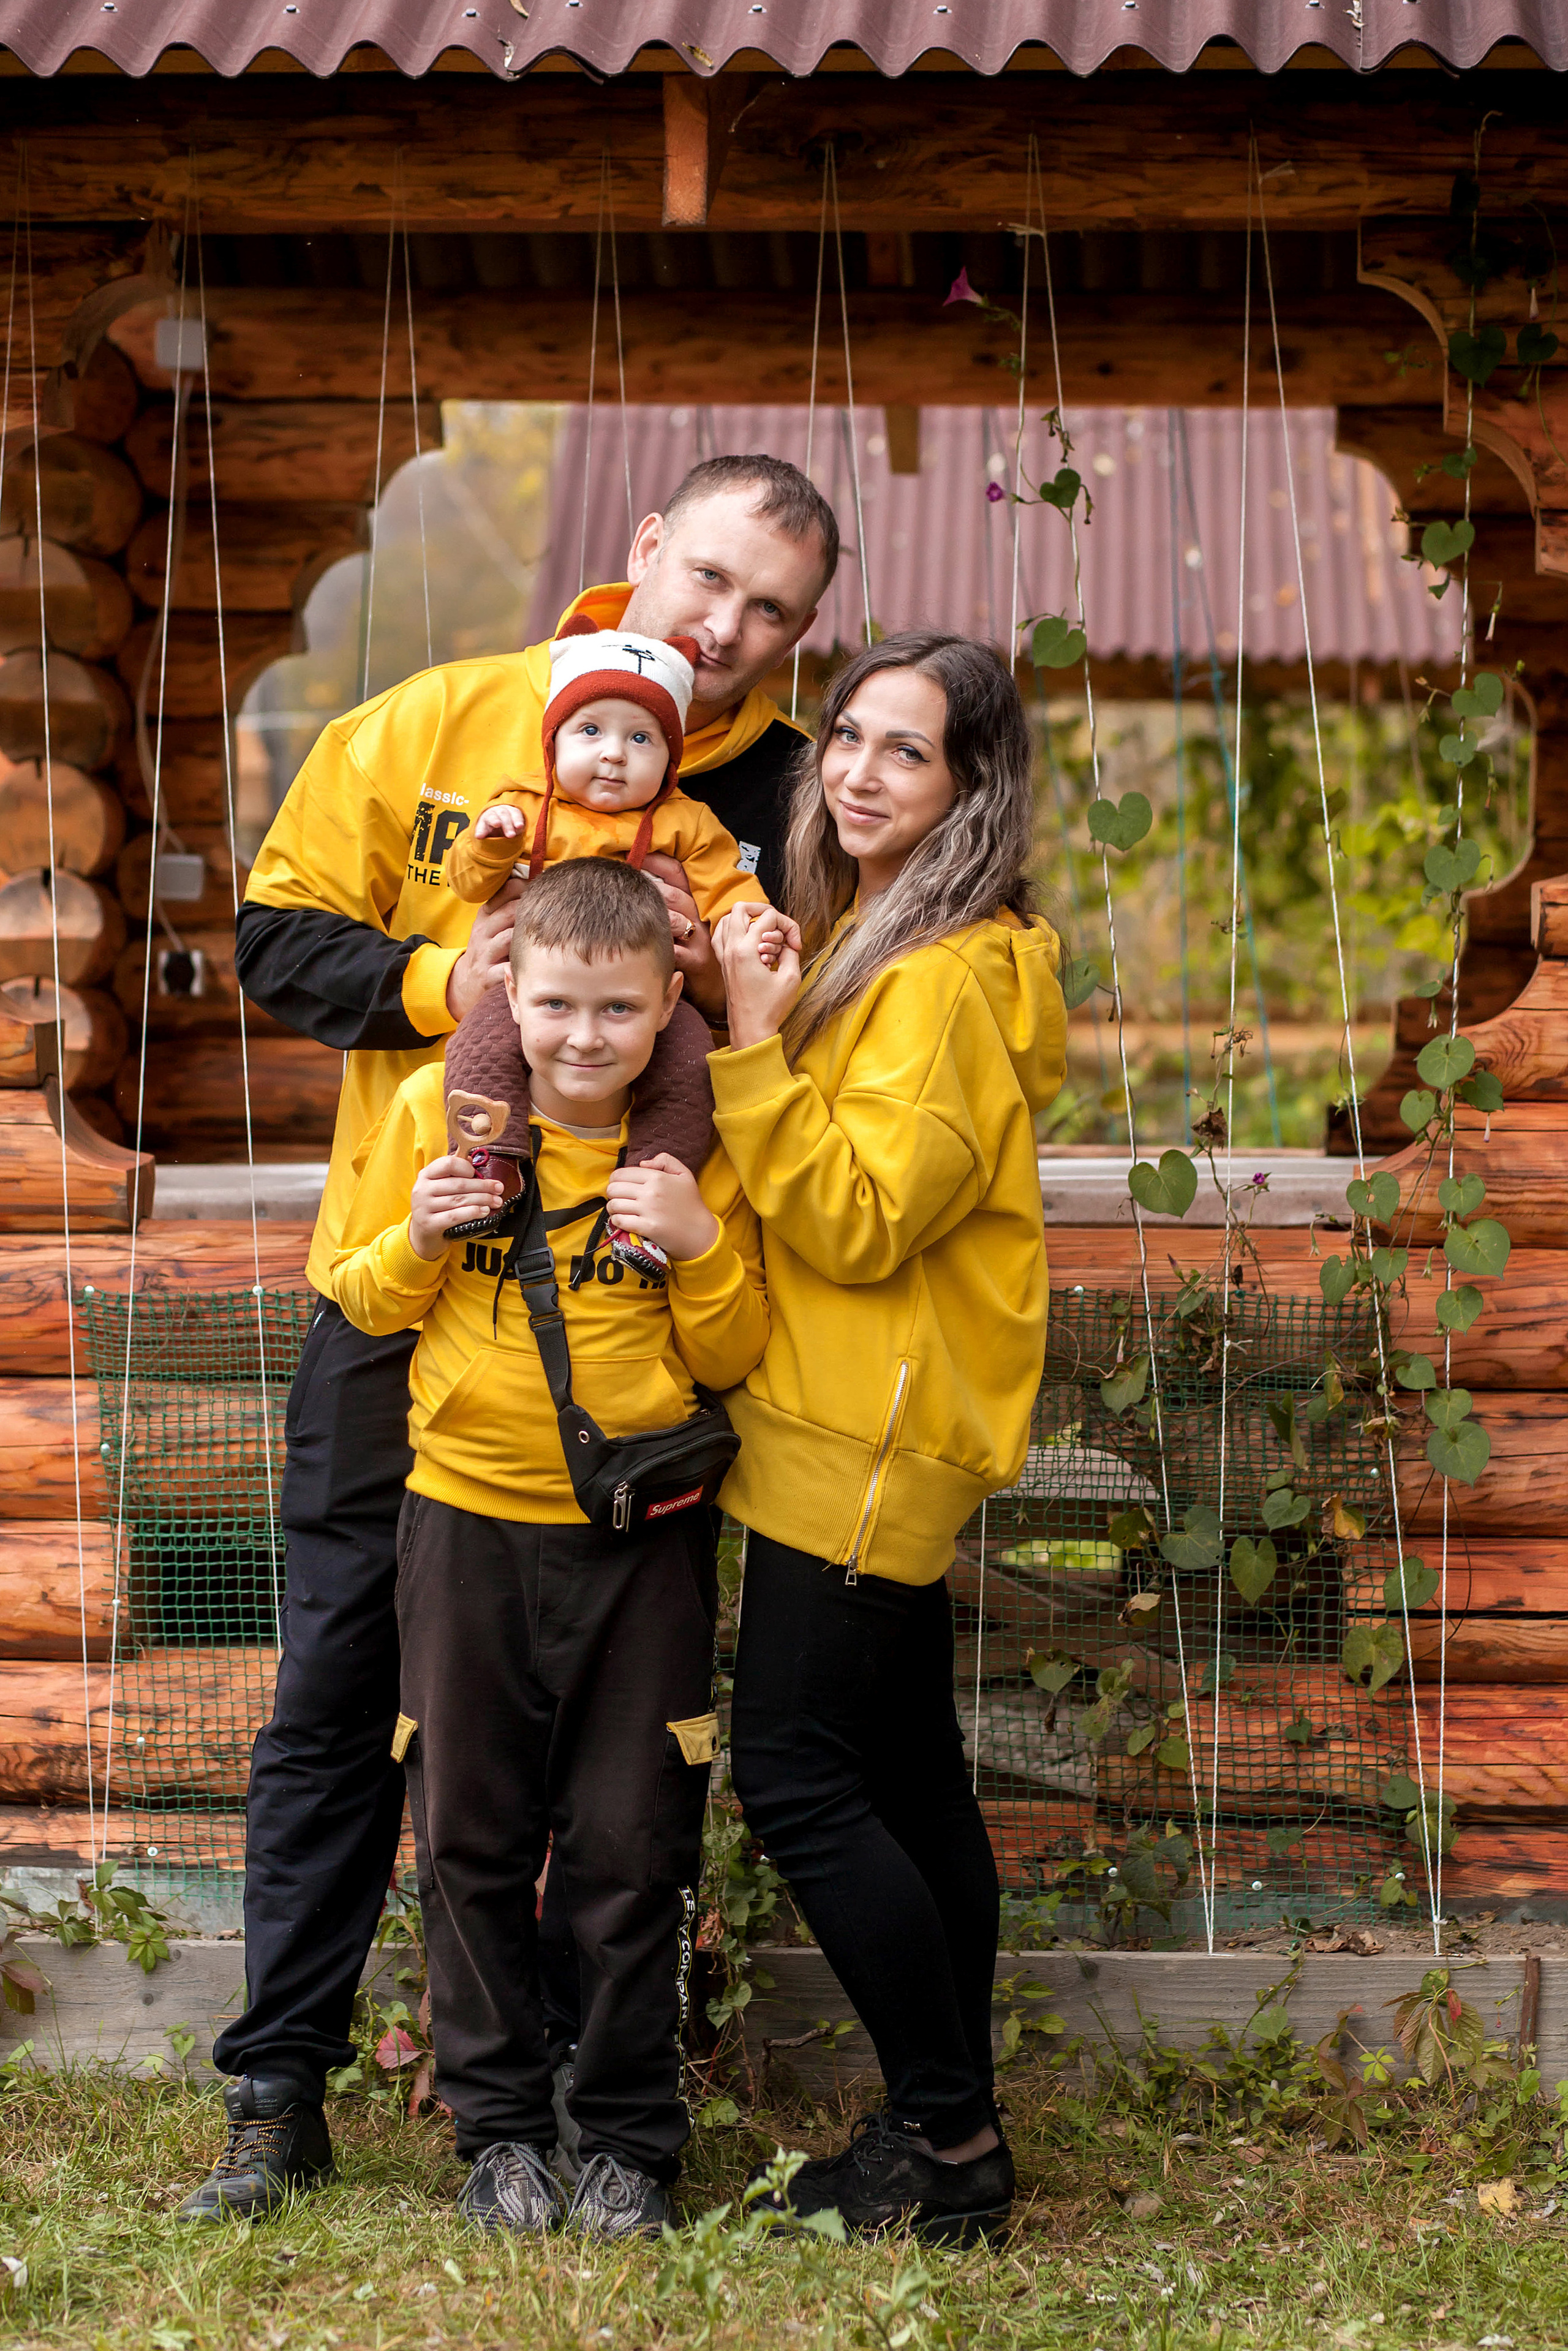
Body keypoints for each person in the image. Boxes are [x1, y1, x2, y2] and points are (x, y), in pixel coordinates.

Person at [181, 455, 836, 2224]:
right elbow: (270, 941)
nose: (728, 625)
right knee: (335, 1695)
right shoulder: (433, 723)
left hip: (634, 1335)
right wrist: (443, 984)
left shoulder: (776, 804)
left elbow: (792, 1037)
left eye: (774, 609)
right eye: (709, 577)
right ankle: (279, 2084)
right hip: (403, 1289)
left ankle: (570, 2113)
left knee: (616, 1757)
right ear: (642, 552)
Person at [327, 859, 768, 2241]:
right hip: (462, 1525)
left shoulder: (695, 1155)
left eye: (618, 1010)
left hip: (641, 1542)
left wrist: (696, 1249)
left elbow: (733, 1355)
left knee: (633, 1841)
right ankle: (502, 2131)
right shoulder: (435, 1113)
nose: (583, 1036)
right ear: (508, 993)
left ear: (663, 1014)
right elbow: (353, 1287)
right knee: (467, 1830)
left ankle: (629, 2137)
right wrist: (415, 1237)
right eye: (558, 1004)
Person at [708, 633, 1067, 2245]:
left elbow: (857, 1221)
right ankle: (949, 2138)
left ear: (974, 786)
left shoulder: (935, 982)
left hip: (865, 1429)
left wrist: (745, 1044)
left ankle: (947, 2139)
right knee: (910, 1778)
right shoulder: (886, 942)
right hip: (846, 1411)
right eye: (845, 737)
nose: (855, 771)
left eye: (904, 751)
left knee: (791, 1772)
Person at [439, 622, 766, 1277]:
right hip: (543, 993)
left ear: (669, 761)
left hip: (638, 1001)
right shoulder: (525, 807)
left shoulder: (685, 820)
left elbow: (729, 885)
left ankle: (647, 1201)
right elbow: (468, 880)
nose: (614, 754)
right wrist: (492, 842)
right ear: (553, 743)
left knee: (689, 1071)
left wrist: (745, 922)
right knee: (477, 1049)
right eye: (591, 732)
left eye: (640, 738)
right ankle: (492, 1166)